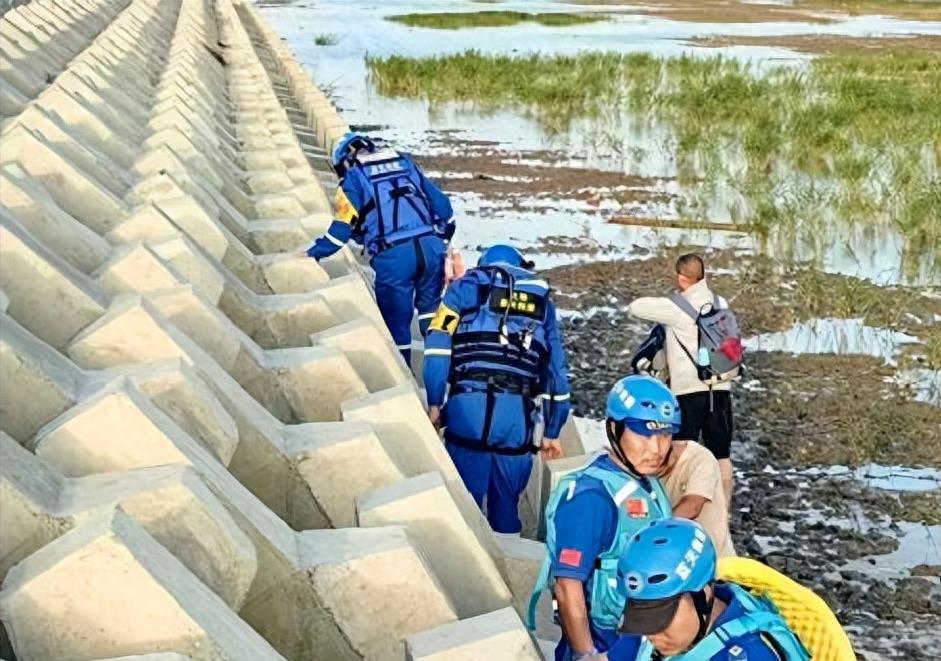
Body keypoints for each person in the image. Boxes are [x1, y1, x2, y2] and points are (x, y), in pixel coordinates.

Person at [527, 375, 677, 661]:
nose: (656, 448)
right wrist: (587, 654)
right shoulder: (591, 499)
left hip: (644, 635)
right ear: (613, 429)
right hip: (605, 640)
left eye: (665, 435)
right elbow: (567, 585)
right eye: (643, 434)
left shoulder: (646, 482)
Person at [423, 244, 571, 535]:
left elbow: (437, 347)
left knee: (464, 507)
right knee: (507, 508)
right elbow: (557, 376)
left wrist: (435, 402)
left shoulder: (463, 288)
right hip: (517, 417)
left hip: (468, 410)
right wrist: (553, 431)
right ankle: (509, 563)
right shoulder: (542, 303)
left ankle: (468, 568)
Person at [305, 133, 455, 364]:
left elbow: (340, 232)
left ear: (344, 161)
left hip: (394, 256)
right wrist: (441, 244)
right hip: (431, 246)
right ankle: (442, 372)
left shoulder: (353, 179)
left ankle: (407, 376)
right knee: (430, 313)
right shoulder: (405, 164)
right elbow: (444, 209)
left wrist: (312, 253)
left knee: (397, 325)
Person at [605, 518, 809, 661]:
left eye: (661, 618)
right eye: (641, 618)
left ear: (703, 594)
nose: (651, 633)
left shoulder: (753, 654)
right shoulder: (648, 634)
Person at [627, 254, 736, 509]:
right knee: (721, 454)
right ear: (704, 275)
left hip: (689, 392)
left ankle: (672, 503)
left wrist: (666, 301)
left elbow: (636, 306)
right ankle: (723, 508)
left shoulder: (677, 308)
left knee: (678, 448)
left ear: (681, 277)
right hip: (720, 389)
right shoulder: (722, 302)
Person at [658, 439, 735, 558]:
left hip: (716, 559)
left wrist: (652, 534)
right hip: (674, 559)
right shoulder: (638, 468)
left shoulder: (700, 459)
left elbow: (692, 506)